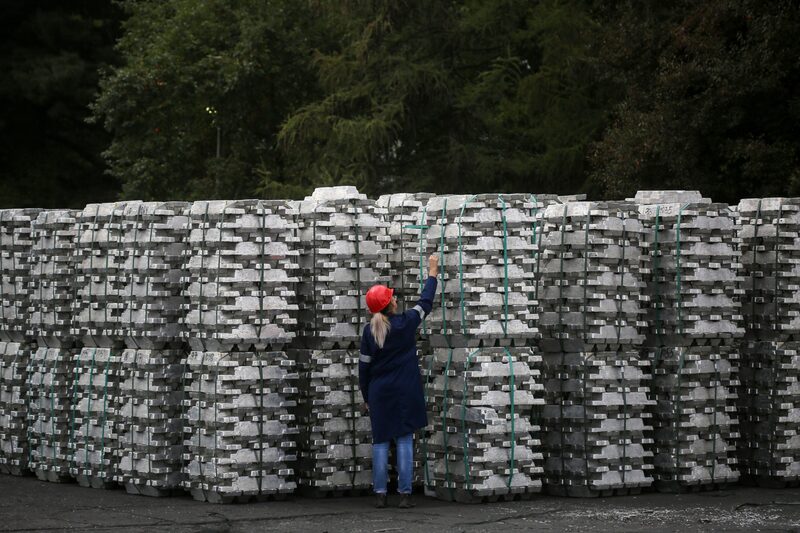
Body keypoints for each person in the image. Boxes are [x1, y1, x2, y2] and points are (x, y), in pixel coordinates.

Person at [359, 254, 439, 509]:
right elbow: (425, 302)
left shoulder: (369, 331)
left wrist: (366, 397)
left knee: (381, 441)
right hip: (405, 389)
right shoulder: (405, 323)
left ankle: (381, 494)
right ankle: (404, 494)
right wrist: (433, 273)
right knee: (404, 438)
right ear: (389, 304)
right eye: (392, 297)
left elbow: (364, 368)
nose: (395, 298)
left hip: (379, 391)